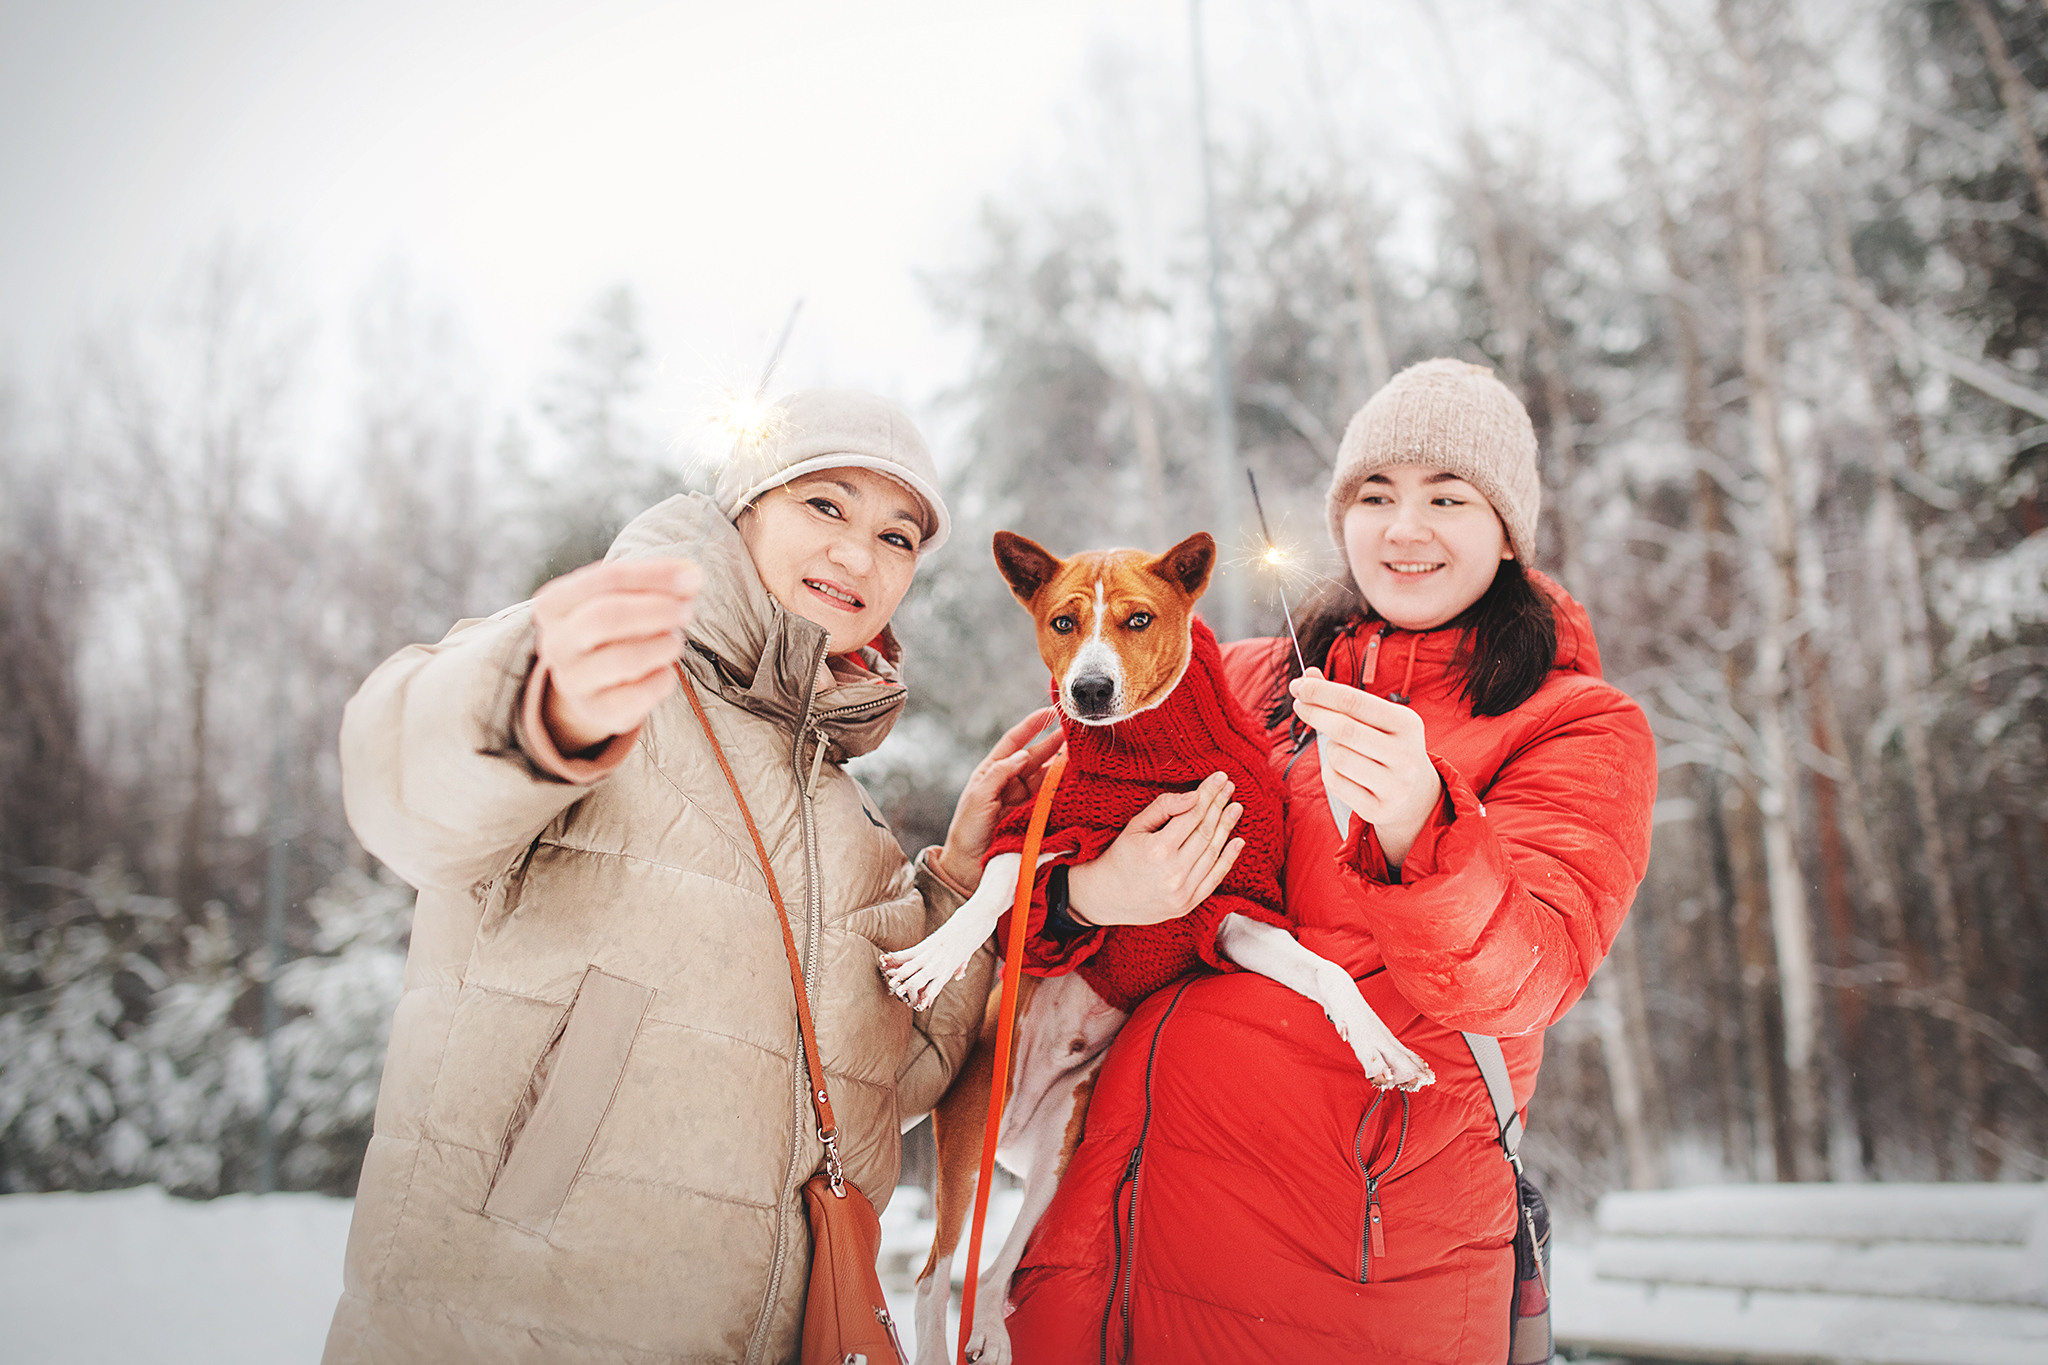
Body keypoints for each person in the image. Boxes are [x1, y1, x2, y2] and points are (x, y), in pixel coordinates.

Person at [320, 389, 1068, 1365]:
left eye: (897, 538)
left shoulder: (849, 826)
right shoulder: (605, 695)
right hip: (503, 1332)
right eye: (825, 507)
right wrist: (543, 699)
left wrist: (965, 876)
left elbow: (892, 1077)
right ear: (739, 508)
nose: (857, 555)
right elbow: (403, 786)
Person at [1002, 359, 1659, 1362]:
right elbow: (1040, 813)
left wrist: (1422, 825)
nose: (1403, 529)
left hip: (1350, 1269)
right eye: (1375, 495)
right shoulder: (1240, 677)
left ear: (1505, 529)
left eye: (1446, 497)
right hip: (1120, 1235)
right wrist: (1083, 890)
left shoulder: (1573, 724)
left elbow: (1523, 978)